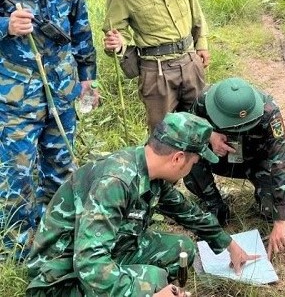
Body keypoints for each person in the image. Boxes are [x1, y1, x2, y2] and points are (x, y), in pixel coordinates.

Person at [26, 112, 258, 297]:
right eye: (194, 162)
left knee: (183, 250)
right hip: (62, 275)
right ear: (177, 158)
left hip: (107, 246)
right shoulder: (115, 182)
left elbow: (186, 211)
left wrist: (228, 244)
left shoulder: (148, 169)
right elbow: (90, 262)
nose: (193, 168)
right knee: (154, 279)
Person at [0, 0, 97, 259]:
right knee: (18, 178)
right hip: (15, 99)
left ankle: (59, 238)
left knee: (61, 170)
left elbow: (80, 29)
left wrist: (88, 79)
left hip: (60, 93)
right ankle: (20, 251)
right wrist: (6, 27)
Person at [103, 0, 209, 132]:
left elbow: (194, 6)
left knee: (201, 126)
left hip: (190, 61)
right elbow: (116, 36)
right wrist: (117, 45)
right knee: (163, 135)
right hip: (156, 72)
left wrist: (201, 43)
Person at [183, 77, 285, 260]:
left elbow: (281, 162)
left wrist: (281, 220)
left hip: (257, 161)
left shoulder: (270, 112)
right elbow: (188, 129)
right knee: (187, 159)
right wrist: (209, 135)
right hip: (220, 158)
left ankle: (265, 202)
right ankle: (215, 205)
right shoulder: (204, 100)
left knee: (284, 206)